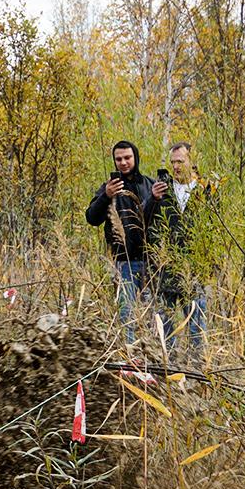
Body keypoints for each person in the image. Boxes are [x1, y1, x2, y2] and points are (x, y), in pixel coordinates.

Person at [85, 140, 163, 342]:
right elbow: (92, 218)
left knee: (153, 315)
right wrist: (106, 196)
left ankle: (153, 358)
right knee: (126, 315)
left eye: (127, 157)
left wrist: (155, 199)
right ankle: (127, 359)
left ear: (135, 157)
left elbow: (159, 220)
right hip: (123, 262)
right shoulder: (108, 188)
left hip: (151, 262)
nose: (123, 162)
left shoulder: (150, 185)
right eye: (118, 159)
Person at [150, 141, 217, 360]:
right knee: (166, 329)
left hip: (194, 272)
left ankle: (196, 373)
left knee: (196, 329)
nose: (176, 166)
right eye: (173, 162)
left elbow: (214, 231)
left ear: (192, 161)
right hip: (166, 272)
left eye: (181, 161)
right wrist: (153, 199)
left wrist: (209, 266)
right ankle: (168, 371)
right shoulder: (163, 192)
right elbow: (151, 227)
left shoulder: (206, 192)